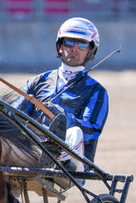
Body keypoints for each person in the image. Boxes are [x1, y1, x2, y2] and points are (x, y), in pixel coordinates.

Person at [10, 17, 109, 166]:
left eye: (82, 44)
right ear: (60, 47)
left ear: (90, 50)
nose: (74, 48)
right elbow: (13, 117)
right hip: (32, 150)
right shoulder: (37, 81)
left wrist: (63, 117)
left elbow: (92, 131)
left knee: (76, 132)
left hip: (73, 163)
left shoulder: (97, 91)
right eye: (68, 43)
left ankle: (56, 155)